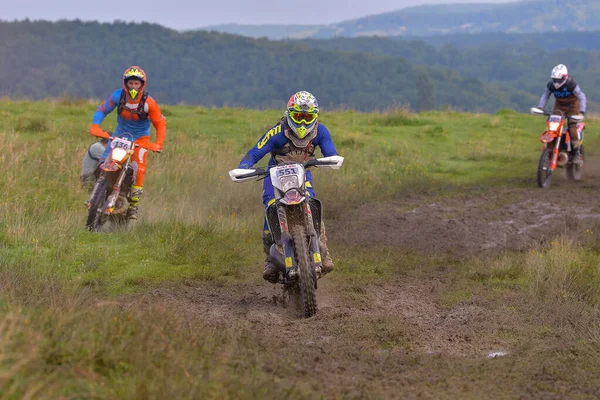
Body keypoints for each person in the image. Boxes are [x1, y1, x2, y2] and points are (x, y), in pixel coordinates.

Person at [237, 91, 339, 283]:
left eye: (307, 117)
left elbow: (330, 151)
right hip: (274, 174)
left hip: (302, 172)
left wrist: (332, 159)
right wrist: (243, 167)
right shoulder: (277, 132)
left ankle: (323, 253)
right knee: (271, 207)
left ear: (315, 117)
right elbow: (255, 151)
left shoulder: (320, 131)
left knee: (312, 203)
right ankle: (270, 259)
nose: (302, 123)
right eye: (297, 117)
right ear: (289, 114)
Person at [88, 66, 166, 220]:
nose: (133, 87)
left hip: (140, 138)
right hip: (120, 134)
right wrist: (95, 125)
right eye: (130, 83)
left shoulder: (148, 102)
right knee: (104, 161)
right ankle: (99, 189)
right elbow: (102, 110)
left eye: (136, 84)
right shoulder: (118, 96)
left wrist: (158, 144)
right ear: (125, 83)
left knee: (139, 168)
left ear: (142, 84)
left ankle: (133, 205)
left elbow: (160, 123)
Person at [538, 64, 587, 165]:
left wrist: (581, 112)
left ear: (564, 77)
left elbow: (581, 96)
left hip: (572, 107)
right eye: (554, 79)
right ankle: (550, 150)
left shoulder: (571, 84)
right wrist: (540, 107)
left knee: (572, 126)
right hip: (559, 107)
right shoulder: (551, 85)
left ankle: (576, 153)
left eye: (559, 80)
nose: (556, 82)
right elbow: (545, 95)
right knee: (552, 127)